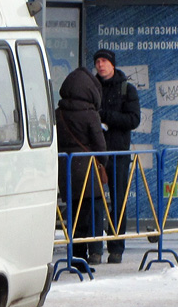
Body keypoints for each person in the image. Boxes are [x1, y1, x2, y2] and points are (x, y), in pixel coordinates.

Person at [56, 68, 107, 269]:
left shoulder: (58, 113)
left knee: (74, 213)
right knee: (92, 212)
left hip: (66, 171)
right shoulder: (90, 114)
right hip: (88, 172)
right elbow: (100, 145)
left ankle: (76, 255)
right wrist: (104, 164)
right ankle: (93, 253)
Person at [93, 48, 141, 263]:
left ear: (112, 64)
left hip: (118, 152)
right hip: (95, 152)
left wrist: (106, 117)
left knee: (118, 200)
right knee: (93, 200)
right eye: (97, 61)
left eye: (104, 61)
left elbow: (133, 120)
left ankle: (116, 247)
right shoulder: (92, 88)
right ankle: (94, 248)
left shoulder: (127, 89)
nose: (100, 65)